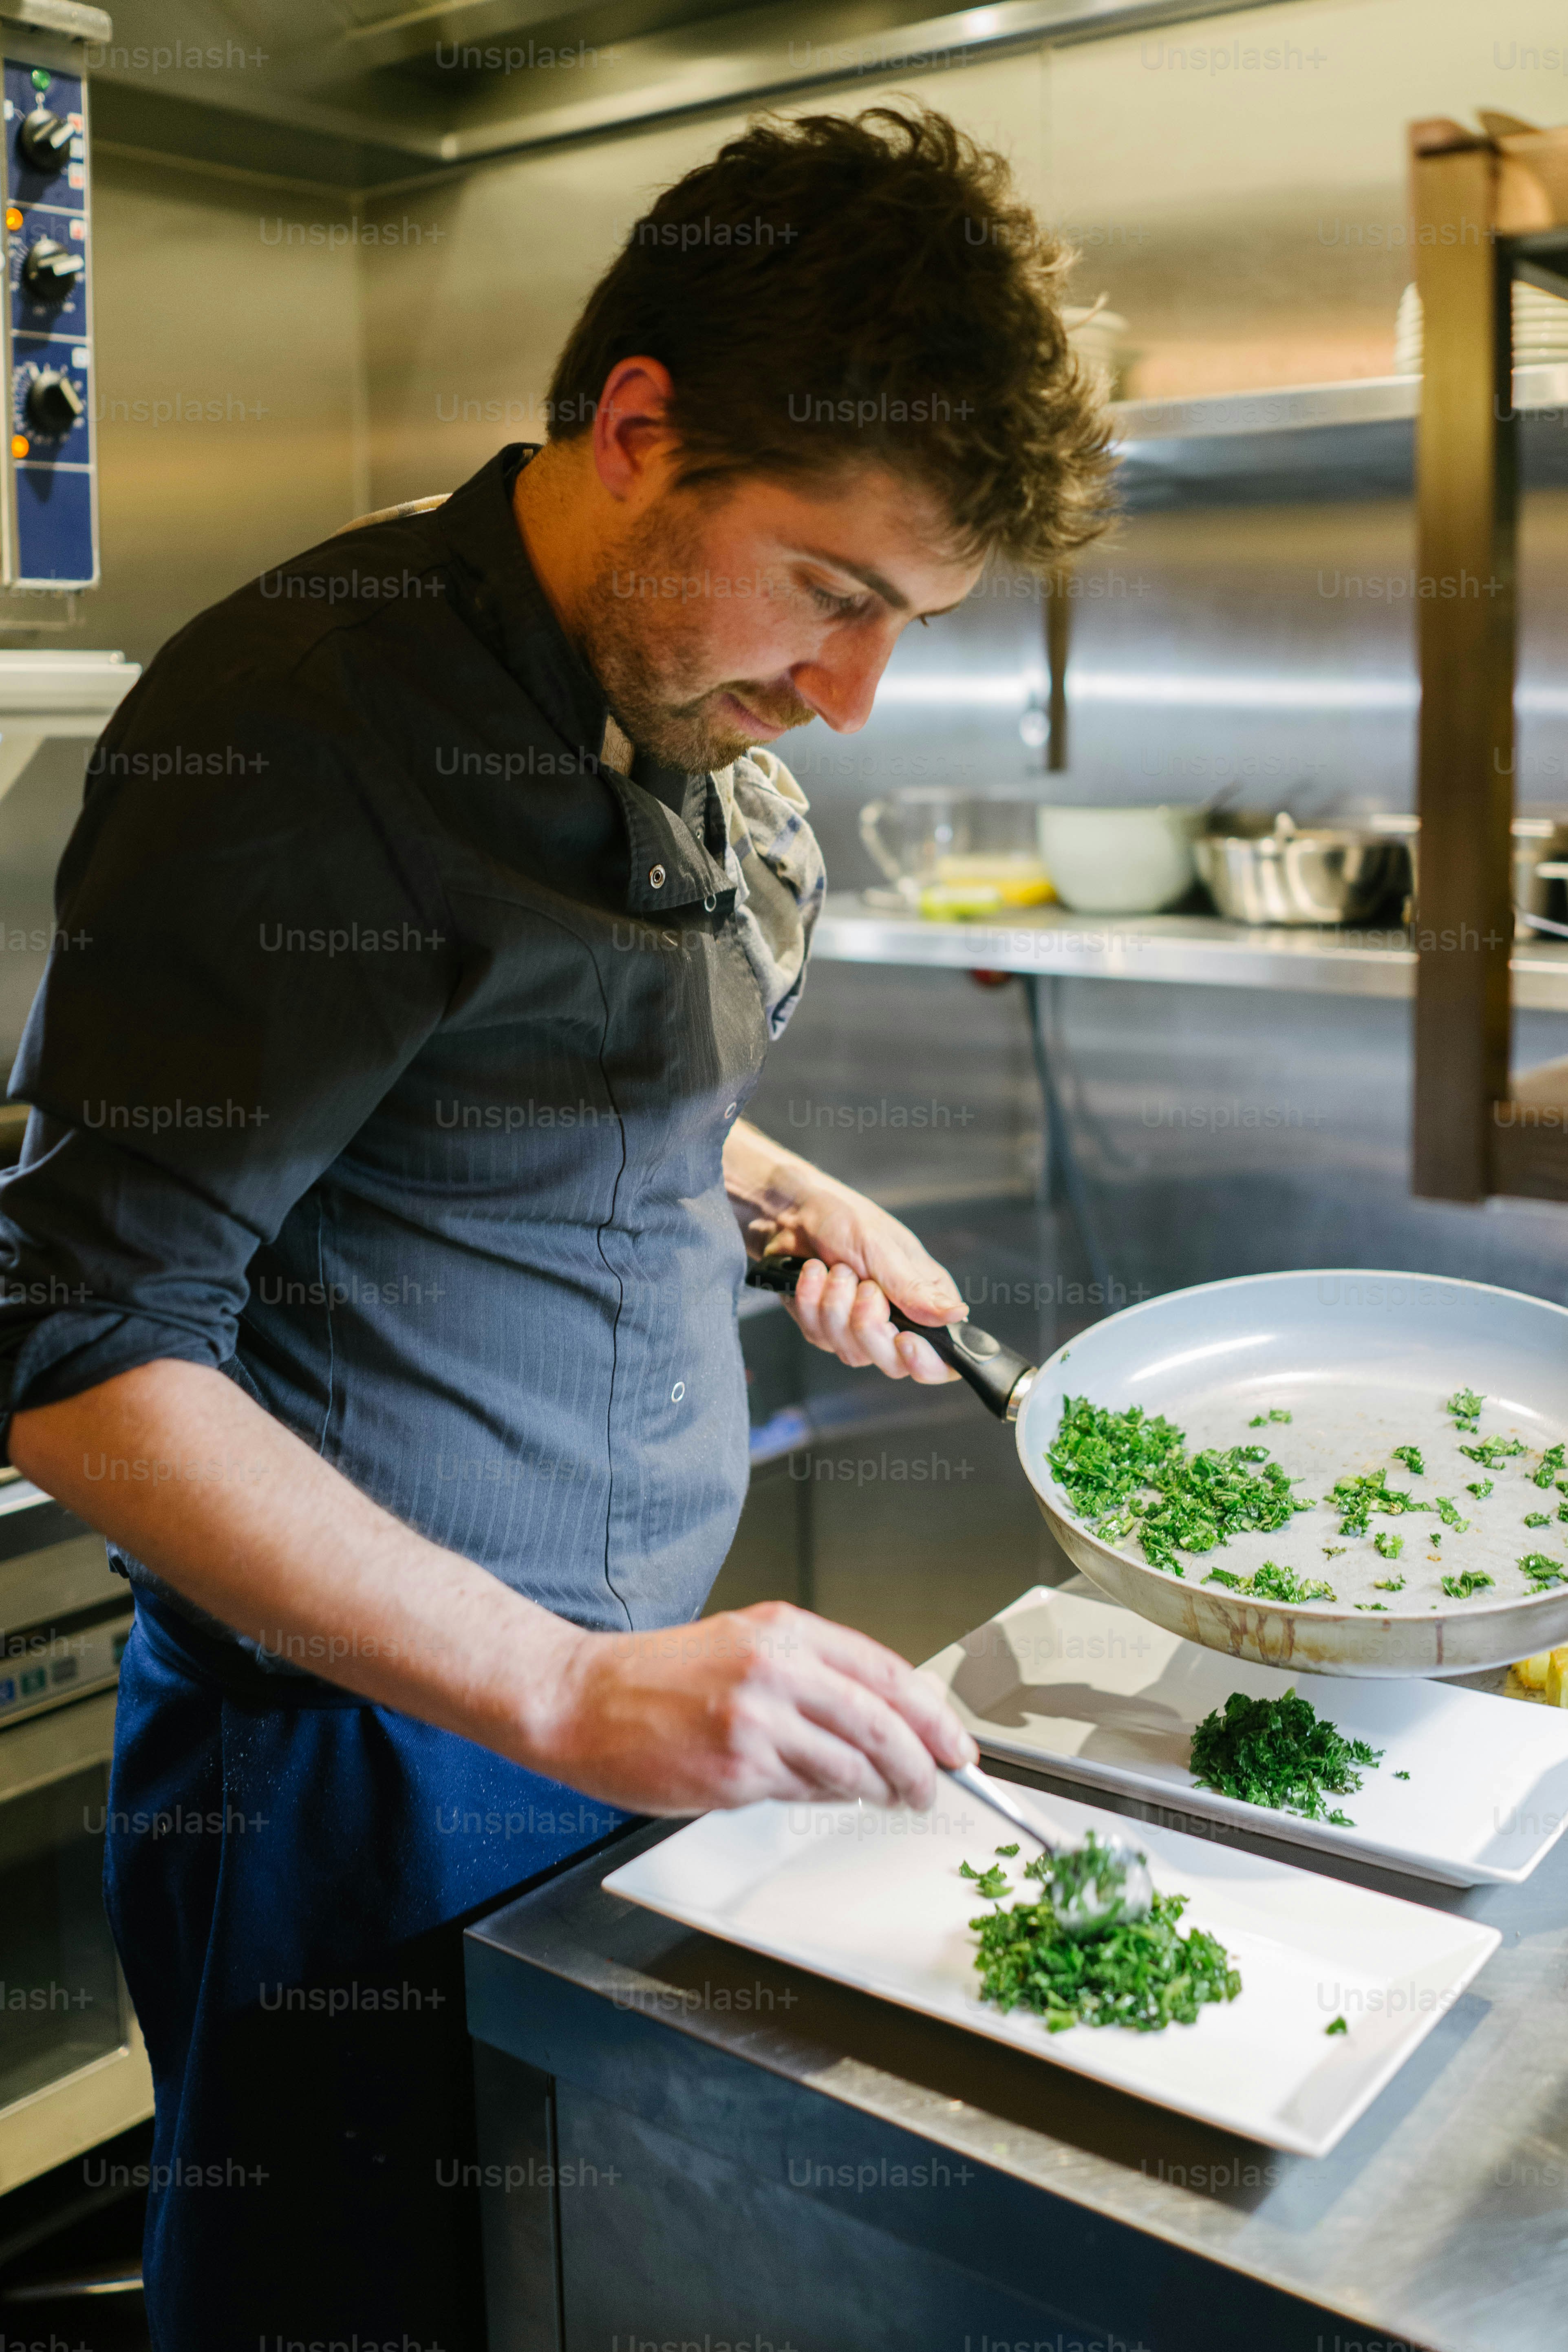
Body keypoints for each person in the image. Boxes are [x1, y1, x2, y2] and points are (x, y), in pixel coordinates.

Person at [0, 104, 1112, 2349]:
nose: (848, 692)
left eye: (908, 623)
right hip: (360, 1766)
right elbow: (75, 1350)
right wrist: (563, 1691)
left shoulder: (661, 689)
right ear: (635, 430)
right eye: (834, 593)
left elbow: (508, 1084)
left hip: (617, 1705)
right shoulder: (306, 734)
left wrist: (794, 1191)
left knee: (544, 2289)